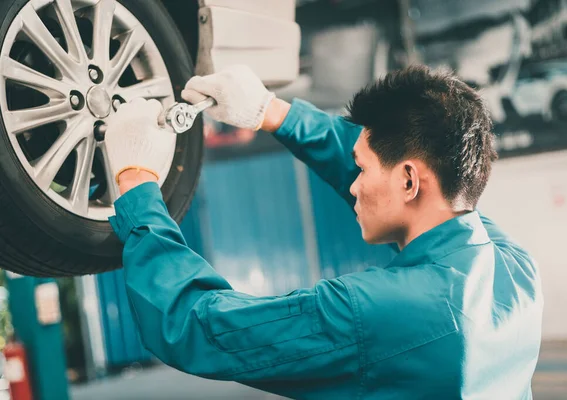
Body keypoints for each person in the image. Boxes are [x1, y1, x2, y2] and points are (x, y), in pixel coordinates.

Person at [104, 64, 543, 399]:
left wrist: (136, 180)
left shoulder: (373, 312)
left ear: (409, 180)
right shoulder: (515, 268)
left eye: (363, 169)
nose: (353, 185)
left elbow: (196, 327)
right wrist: (270, 112)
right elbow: (403, 181)